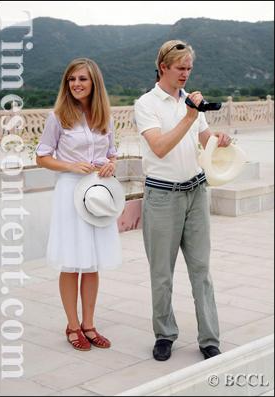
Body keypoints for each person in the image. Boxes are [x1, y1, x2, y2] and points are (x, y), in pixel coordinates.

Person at [134, 40, 232, 361]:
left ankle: (209, 339)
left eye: (189, 68)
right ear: (163, 67)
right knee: (162, 273)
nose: (186, 74)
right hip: (162, 196)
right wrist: (189, 116)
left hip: (196, 191)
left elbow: (204, 139)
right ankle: (164, 334)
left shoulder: (191, 103)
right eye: (180, 68)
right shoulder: (146, 104)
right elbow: (159, 147)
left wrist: (219, 138)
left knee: (201, 269)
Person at [36, 58, 121, 351]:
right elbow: (42, 156)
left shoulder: (104, 117)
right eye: (72, 79)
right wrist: (71, 166)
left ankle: (89, 324)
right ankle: (72, 325)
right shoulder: (57, 116)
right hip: (70, 192)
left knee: (92, 262)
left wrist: (110, 165)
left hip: (97, 193)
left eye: (82, 79)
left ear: (93, 82)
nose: (76, 84)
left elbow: (112, 153)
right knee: (72, 262)